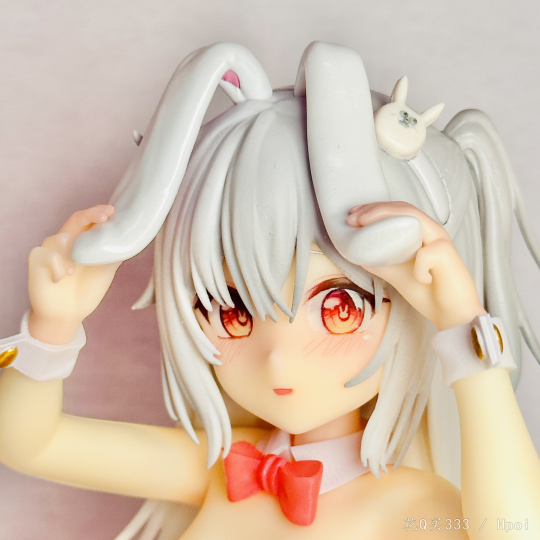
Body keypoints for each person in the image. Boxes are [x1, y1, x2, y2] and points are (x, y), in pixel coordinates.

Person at [0, 42, 539, 539]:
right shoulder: (222, 465)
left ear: (409, 311)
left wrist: (464, 330)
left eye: (340, 308)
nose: (277, 356)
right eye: (233, 311)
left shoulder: (405, 505)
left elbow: (514, 530)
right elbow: (32, 444)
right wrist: (52, 329)